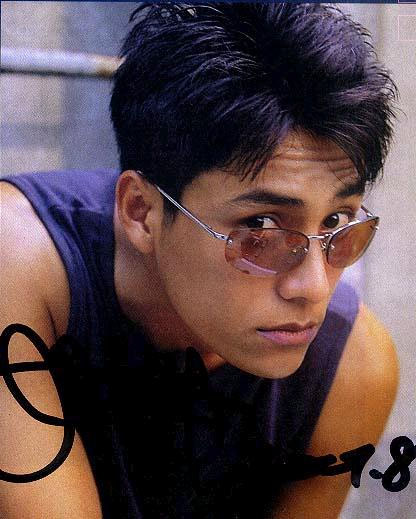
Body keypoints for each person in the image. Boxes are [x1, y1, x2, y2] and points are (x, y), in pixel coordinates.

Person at [0, 3, 399, 518]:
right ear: (141, 211)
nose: (315, 287)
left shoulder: (352, 364)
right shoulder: (16, 260)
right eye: (261, 227)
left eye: (337, 222)